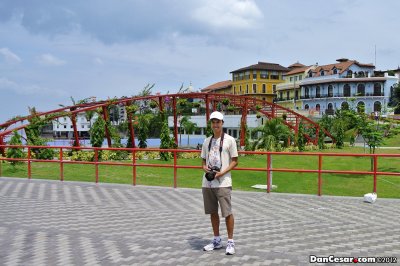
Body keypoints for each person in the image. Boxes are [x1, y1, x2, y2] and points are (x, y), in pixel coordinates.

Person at [201, 111, 238, 255]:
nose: (215, 124)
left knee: (227, 213)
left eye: (218, 122)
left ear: (222, 123)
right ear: (211, 124)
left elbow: (235, 161)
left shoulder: (229, 140)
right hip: (208, 182)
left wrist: (222, 173)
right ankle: (216, 240)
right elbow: (203, 161)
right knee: (212, 212)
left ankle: (230, 242)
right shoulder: (206, 141)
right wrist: (205, 168)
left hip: (223, 182)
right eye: (213, 122)